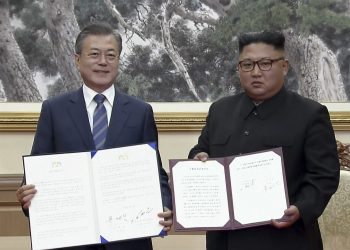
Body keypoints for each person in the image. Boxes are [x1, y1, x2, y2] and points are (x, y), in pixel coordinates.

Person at [16, 22, 172, 250]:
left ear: (119, 61)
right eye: (94, 54)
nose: (103, 62)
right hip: (71, 242)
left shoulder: (141, 112)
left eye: (111, 55)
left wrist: (165, 205)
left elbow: (155, 173)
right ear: (77, 59)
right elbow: (37, 171)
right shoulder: (54, 110)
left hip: (128, 241)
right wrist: (27, 194)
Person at [188, 30, 339, 250]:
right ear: (239, 69)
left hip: (285, 239)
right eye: (247, 65)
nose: (256, 72)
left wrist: (300, 208)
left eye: (266, 63)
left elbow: (324, 176)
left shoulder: (310, 114)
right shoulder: (220, 110)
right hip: (226, 241)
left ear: (284, 66)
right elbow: (202, 149)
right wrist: (197, 157)